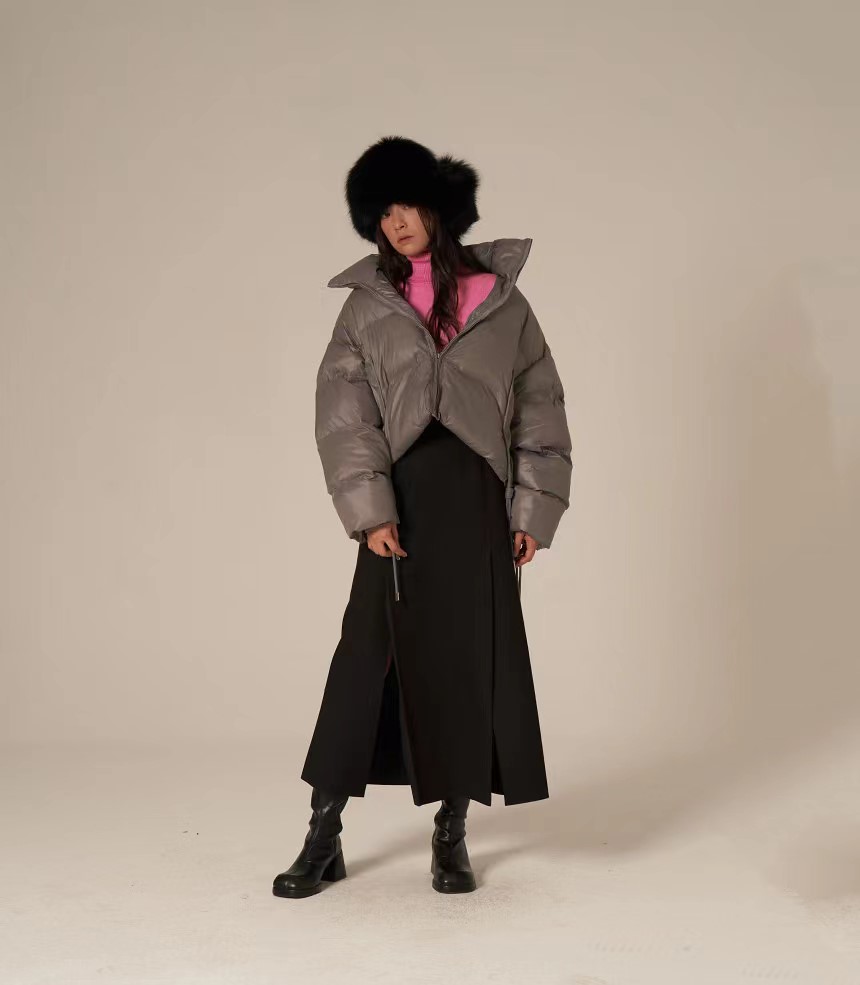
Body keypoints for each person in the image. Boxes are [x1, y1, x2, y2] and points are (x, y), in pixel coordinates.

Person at [273, 135, 573, 898]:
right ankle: (323, 832)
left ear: (441, 208)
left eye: (406, 205)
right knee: (364, 658)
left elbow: (540, 410)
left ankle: (451, 832)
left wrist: (531, 511)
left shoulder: (503, 303)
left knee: (466, 662)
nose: (396, 223)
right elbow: (345, 416)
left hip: (476, 502)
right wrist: (370, 508)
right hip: (399, 501)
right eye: (382, 212)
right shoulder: (366, 306)